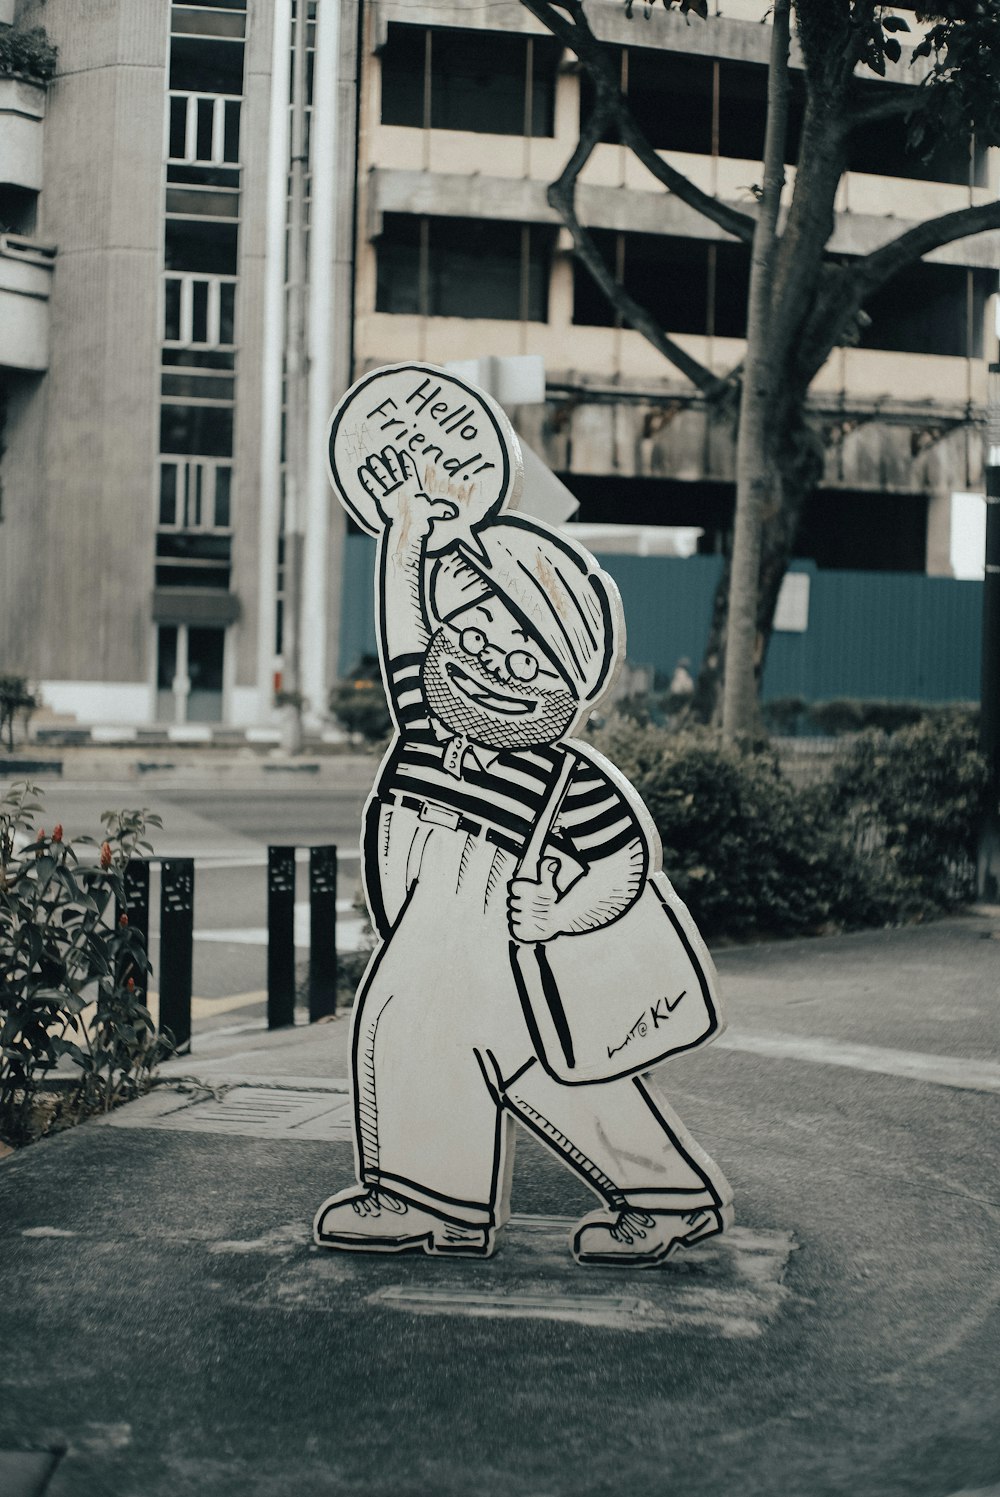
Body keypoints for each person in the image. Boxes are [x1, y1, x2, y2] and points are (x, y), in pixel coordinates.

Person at [313, 444, 731, 1266]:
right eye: (472, 632)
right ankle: (665, 1194)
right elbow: (405, 627)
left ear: (568, 681)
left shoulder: (565, 774)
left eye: (523, 655)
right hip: (454, 941)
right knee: (553, 1075)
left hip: (493, 945)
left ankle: (425, 1200)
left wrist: (562, 911)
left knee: (407, 1024)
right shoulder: (427, 721)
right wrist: (406, 534)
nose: (489, 661)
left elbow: (622, 863)